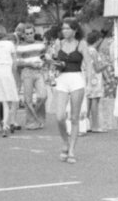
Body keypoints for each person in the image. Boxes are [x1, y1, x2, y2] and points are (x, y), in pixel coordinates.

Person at [51, 17, 92, 165]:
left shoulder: (81, 44)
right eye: (63, 28)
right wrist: (54, 64)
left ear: (75, 30)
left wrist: (89, 81)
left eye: (68, 28)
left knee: (74, 117)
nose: (65, 31)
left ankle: (72, 149)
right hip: (62, 78)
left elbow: (88, 63)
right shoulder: (58, 43)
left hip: (76, 79)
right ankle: (65, 142)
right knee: (60, 116)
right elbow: (55, 60)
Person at [13, 24, 47, 130]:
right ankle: (31, 122)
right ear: (23, 35)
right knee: (28, 99)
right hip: (26, 72)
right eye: (27, 34)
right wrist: (29, 64)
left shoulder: (41, 45)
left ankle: (38, 117)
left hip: (38, 72)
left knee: (43, 96)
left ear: (34, 33)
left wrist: (44, 63)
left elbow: (45, 57)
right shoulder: (19, 47)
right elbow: (17, 62)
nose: (29, 35)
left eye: (31, 33)